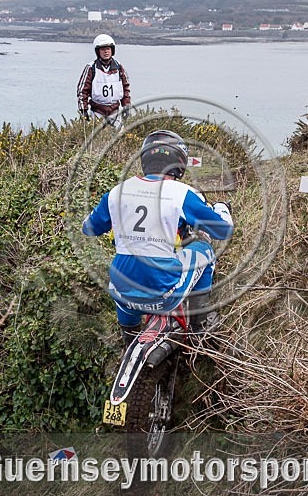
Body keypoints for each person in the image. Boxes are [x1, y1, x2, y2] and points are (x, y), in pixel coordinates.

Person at [81, 130, 233, 341]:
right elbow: (223, 230)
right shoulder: (180, 193)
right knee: (205, 251)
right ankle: (201, 326)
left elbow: (88, 228)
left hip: (122, 296)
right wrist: (221, 208)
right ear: (179, 164)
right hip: (164, 295)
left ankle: (128, 333)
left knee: (122, 280)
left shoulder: (116, 193)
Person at [76, 34, 131, 125]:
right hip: (97, 111)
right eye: (103, 49)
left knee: (118, 137)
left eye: (108, 49)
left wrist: (126, 106)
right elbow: (82, 91)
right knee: (97, 137)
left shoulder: (119, 67)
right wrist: (83, 110)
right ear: (98, 52)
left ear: (112, 50)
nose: (106, 52)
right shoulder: (91, 68)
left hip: (115, 111)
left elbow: (126, 88)